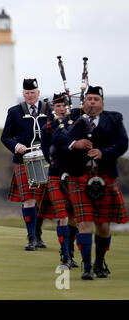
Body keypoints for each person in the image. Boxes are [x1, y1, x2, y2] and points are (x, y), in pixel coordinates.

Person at [53, 86, 128, 280]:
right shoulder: (73, 118)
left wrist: (104, 153)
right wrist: (74, 144)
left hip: (105, 175)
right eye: (89, 99)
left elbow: (122, 143)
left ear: (102, 102)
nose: (92, 102)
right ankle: (86, 266)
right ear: (84, 102)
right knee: (84, 222)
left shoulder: (114, 118)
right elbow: (58, 139)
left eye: (96, 99)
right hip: (79, 176)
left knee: (103, 226)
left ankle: (99, 262)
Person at [1, 78, 49, 251]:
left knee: (42, 200)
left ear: (38, 92)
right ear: (23, 94)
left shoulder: (49, 109)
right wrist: (15, 146)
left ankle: (37, 234)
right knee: (29, 199)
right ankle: (31, 239)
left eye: (33, 93)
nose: (30, 96)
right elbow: (5, 137)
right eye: (27, 93)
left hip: (46, 160)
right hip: (23, 160)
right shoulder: (14, 112)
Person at [39, 93, 78, 268]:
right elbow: (47, 151)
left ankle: (71, 253)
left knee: (74, 217)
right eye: (58, 106)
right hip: (56, 174)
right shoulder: (48, 126)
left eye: (64, 106)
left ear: (68, 107)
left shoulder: (77, 122)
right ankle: (65, 256)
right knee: (62, 216)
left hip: (76, 174)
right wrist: (57, 161)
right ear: (53, 108)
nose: (61, 109)